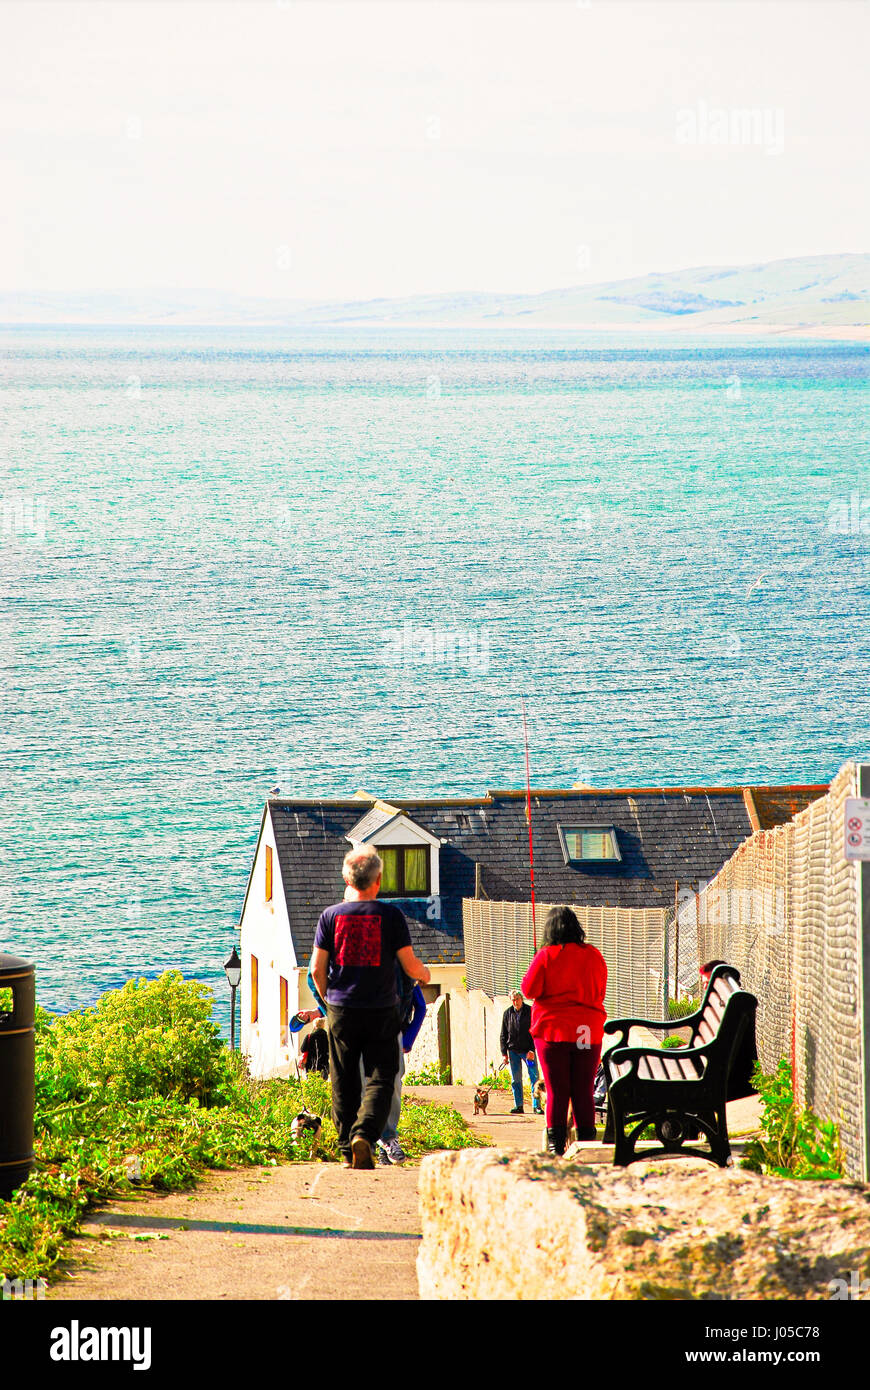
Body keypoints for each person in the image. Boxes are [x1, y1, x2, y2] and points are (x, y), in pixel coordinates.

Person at [310, 845, 430, 1169]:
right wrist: (424, 973)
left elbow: (316, 970)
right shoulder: (391, 916)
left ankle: (348, 1148)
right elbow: (409, 965)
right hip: (380, 1009)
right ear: (378, 879)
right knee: (381, 1075)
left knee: (344, 1078)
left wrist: (327, 1000)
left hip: (341, 1007)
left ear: (346, 879)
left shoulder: (330, 916)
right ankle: (365, 1133)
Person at [521, 905, 608, 1155]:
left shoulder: (546, 955)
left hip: (553, 1032)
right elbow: (600, 990)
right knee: (583, 1088)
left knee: (557, 1089)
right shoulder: (593, 955)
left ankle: (555, 1147)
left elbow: (529, 990)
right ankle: (587, 1144)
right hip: (585, 1030)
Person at [373, 976, 427, 1165]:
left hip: (394, 1039)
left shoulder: (404, 974)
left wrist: (408, 1040)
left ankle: (386, 1140)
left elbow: (420, 1007)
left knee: (392, 1088)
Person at [698, 959, 757, 1100]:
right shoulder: (726, 1003)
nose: (706, 988)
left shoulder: (732, 1005)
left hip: (731, 1078)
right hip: (722, 1066)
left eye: (708, 982)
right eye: (704, 983)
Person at [500, 990, 542, 1115]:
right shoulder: (507, 1013)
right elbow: (503, 1034)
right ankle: (518, 1105)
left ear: (521, 999)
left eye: (517, 999)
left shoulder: (530, 1011)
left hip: (527, 1051)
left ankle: (537, 1106)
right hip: (513, 1051)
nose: (515, 1002)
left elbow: (536, 1032)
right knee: (515, 1079)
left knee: (534, 1077)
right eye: (513, 1000)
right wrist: (504, 1053)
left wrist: (531, 1049)